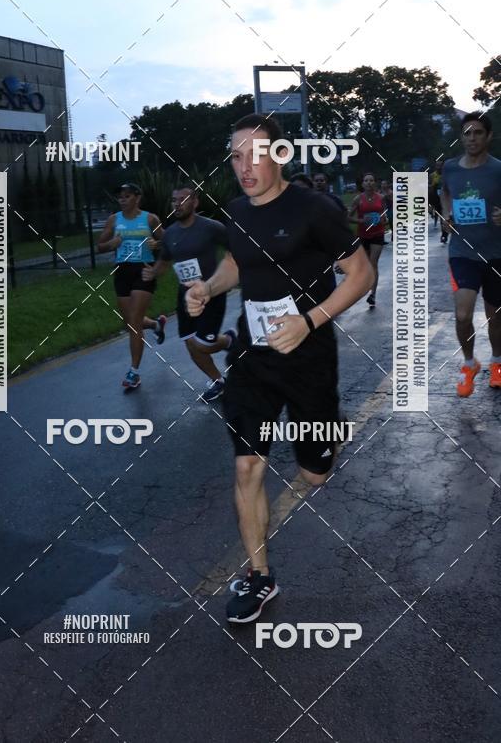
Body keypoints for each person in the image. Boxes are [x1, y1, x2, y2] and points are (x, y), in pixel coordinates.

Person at [185, 114, 374, 623]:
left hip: (308, 356)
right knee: (248, 464)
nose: (244, 167)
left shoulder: (314, 209)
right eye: (236, 156)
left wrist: (309, 321)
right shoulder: (238, 211)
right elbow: (239, 263)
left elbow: (361, 274)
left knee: (314, 474)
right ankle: (259, 578)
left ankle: (327, 429)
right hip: (252, 357)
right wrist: (209, 287)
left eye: (255, 155)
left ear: (281, 157)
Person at [142, 187, 236, 402]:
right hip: (186, 296)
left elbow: (236, 249)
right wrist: (152, 272)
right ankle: (218, 381)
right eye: (174, 200)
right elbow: (164, 261)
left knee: (203, 344)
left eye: (183, 199)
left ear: (195, 203)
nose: (177, 204)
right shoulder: (171, 233)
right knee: (190, 343)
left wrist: (228, 275)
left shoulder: (212, 228)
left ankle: (229, 340)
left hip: (212, 292)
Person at [439, 112, 501, 396]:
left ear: (488, 137)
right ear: (461, 137)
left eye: (478, 133)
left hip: (496, 252)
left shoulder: (498, 169)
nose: (472, 138)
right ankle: (468, 364)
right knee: (463, 314)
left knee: (495, 316)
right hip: (462, 252)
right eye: (467, 133)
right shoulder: (451, 168)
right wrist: (447, 213)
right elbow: (445, 192)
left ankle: (497, 362)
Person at [96, 183, 166, 390]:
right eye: (120, 197)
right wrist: (111, 245)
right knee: (129, 322)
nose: (123, 199)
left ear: (137, 197)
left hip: (144, 271)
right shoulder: (114, 219)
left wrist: (157, 244)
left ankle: (133, 372)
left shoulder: (150, 218)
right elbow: (100, 246)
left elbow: (170, 240)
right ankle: (155, 324)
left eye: (127, 196)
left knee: (134, 323)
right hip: (123, 272)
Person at [348, 173, 386, 307]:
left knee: (373, 264)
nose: (369, 183)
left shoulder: (381, 198)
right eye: (366, 181)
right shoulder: (358, 199)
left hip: (377, 234)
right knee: (364, 266)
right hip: (363, 235)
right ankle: (362, 287)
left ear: (375, 183)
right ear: (362, 184)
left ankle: (373, 295)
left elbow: (385, 215)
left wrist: (382, 220)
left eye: (371, 180)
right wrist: (361, 220)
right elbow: (348, 218)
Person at [429, 159, 447, 243]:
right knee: (441, 217)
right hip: (437, 199)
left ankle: (445, 233)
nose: (438, 167)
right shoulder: (432, 175)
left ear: (443, 166)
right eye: (437, 165)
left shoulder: (447, 174)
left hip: (446, 199)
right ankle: (444, 234)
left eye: (440, 165)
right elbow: (429, 188)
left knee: (446, 217)